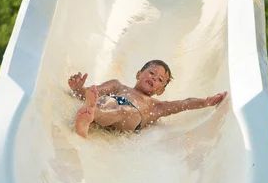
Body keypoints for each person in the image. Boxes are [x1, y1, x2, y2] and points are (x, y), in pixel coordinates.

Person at [68, 59, 227, 137]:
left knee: (124, 111)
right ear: (138, 74)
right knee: (107, 100)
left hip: (132, 116)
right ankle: (90, 114)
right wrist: (78, 88)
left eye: (160, 80)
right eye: (151, 73)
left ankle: (92, 114)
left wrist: (206, 102)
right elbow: (92, 92)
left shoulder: (156, 106)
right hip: (110, 104)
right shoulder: (118, 86)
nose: (154, 78)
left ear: (160, 91)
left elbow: (184, 104)